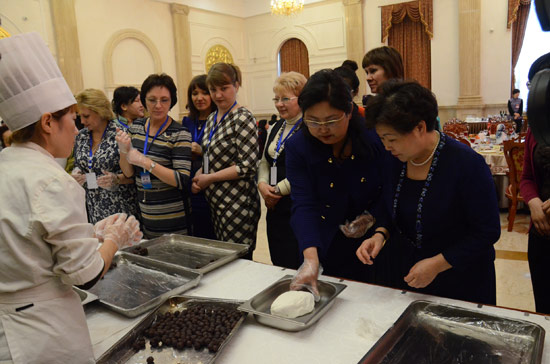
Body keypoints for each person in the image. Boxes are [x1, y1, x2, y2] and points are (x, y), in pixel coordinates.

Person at [0, 32, 141, 364]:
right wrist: (113, 239)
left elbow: (28, 238)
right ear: (48, 122)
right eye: (72, 119)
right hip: (43, 334)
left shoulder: (8, 164)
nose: (77, 129)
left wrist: (89, 233)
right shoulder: (50, 180)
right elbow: (86, 274)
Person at [357, 80, 500, 305]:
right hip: (409, 270)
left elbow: (487, 232)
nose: (386, 146)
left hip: (460, 276)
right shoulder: (395, 159)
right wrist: (379, 234)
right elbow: (390, 204)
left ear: (420, 128)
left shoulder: (466, 164)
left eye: (391, 139)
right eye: (382, 139)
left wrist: (437, 264)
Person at [286, 69, 389, 296]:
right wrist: (311, 259)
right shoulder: (298, 147)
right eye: (312, 121)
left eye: (332, 120)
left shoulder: (374, 138)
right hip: (323, 240)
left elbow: (391, 188)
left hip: (374, 243)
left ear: (349, 112)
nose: (323, 129)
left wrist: (373, 217)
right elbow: (303, 203)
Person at [191, 63, 260, 257]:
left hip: (238, 205)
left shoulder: (242, 117)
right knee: (225, 260)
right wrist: (200, 173)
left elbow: (248, 166)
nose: (218, 95)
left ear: (236, 86)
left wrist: (210, 178)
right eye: (213, 90)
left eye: (224, 88)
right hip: (217, 205)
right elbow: (207, 155)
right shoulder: (213, 118)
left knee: (239, 262)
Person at [116, 73, 193, 238]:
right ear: (144, 101)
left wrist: (146, 162)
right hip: (146, 216)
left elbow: (182, 180)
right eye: (152, 100)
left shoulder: (180, 133)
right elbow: (129, 173)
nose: (158, 105)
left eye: (164, 100)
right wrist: (124, 151)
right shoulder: (136, 128)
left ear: (172, 101)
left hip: (173, 218)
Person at [258, 72, 307, 269]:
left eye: (285, 98)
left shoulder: (309, 128)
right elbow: (264, 162)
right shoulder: (276, 126)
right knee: (278, 262)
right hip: (274, 207)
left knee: (297, 262)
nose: (279, 104)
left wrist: (276, 191)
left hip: (297, 206)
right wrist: (262, 185)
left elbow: (306, 172)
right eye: (276, 99)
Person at [72, 88, 138, 224]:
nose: (82, 121)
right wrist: (77, 172)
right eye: (80, 117)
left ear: (100, 111)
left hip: (120, 208)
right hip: (92, 209)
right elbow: (80, 164)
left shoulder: (121, 134)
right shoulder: (81, 136)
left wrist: (117, 179)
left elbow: (135, 175)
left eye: (86, 116)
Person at [520, 51, 550, 314]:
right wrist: (533, 201)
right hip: (542, 229)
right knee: (544, 301)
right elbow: (527, 177)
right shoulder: (535, 128)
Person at [181, 74, 217, 239]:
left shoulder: (219, 120)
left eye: (205, 93)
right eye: (195, 94)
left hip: (213, 183)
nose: (199, 98)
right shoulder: (187, 122)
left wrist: (202, 151)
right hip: (190, 184)